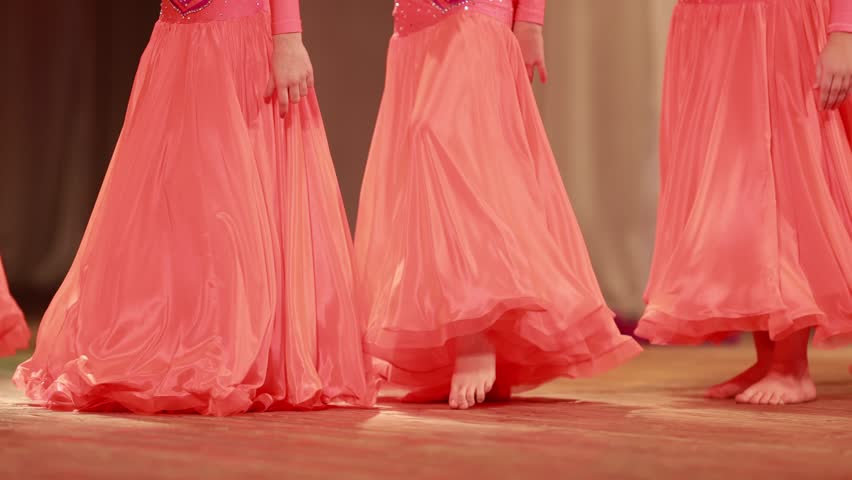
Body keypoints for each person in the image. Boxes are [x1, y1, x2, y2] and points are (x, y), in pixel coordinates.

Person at [14, 0, 376, 415]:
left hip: (238, 47)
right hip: (176, 45)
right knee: (175, 209)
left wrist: (288, 37)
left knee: (232, 206)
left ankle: (232, 346)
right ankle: (174, 341)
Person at [354, 0, 642, 410]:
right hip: (414, 26)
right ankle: (455, 351)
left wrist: (530, 23)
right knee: (425, 170)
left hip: (475, 14)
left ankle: (477, 336)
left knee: (440, 141)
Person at [636, 0, 852, 405]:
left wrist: (843, 31)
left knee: (783, 180)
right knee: (736, 192)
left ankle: (791, 365)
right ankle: (769, 357)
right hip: (710, 24)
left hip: (776, 20)